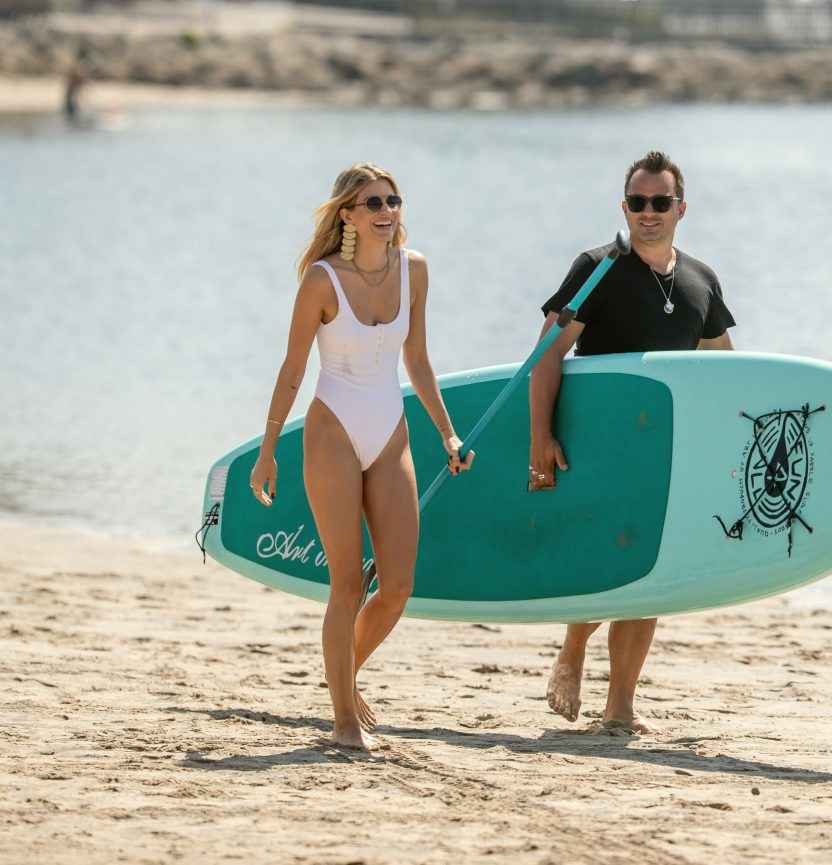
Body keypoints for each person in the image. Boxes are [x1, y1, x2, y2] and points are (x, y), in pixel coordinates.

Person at [249, 163, 474, 751]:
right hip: (333, 429)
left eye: (392, 201)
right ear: (347, 214)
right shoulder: (322, 280)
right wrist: (268, 451)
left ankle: (342, 677)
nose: (386, 212)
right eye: (373, 203)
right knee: (347, 585)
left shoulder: (414, 270)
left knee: (397, 586)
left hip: (390, 431)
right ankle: (344, 721)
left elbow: (417, 358)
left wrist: (447, 434)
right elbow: (293, 369)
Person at [528, 150, 735, 734]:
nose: (649, 212)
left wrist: (725, 449)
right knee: (611, 561)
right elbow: (547, 353)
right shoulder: (597, 268)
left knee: (652, 576)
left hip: (668, 451)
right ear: (624, 207)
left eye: (660, 202)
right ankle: (574, 646)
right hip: (603, 443)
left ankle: (620, 706)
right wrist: (541, 437)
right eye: (638, 202)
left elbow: (722, 369)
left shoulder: (701, 281)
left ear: (680, 208)